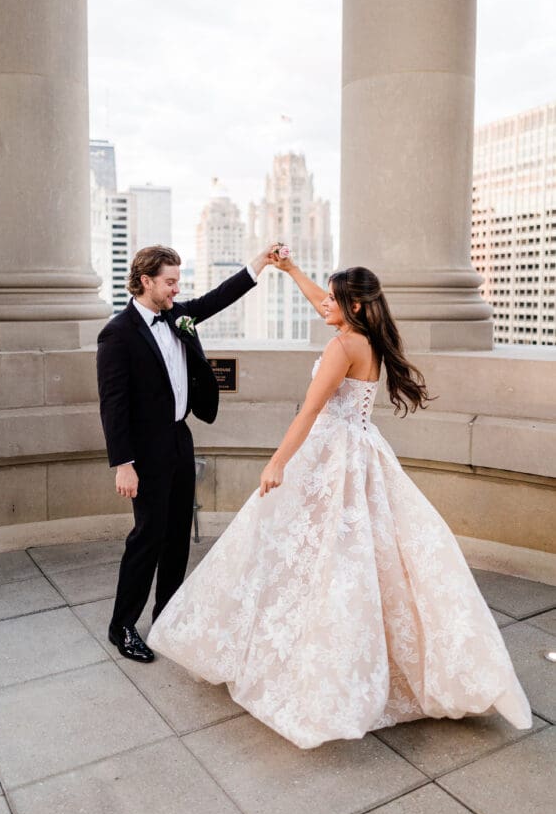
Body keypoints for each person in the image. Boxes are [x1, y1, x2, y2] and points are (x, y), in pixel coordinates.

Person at [147, 260, 532, 748]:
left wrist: (277, 463)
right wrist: (288, 269)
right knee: (364, 552)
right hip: (361, 448)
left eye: (331, 298)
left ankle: (315, 667)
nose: (321, 304)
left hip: (330, 452)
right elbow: (325, 306)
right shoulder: (364, 338)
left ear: (351, 306)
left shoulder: (340, 345)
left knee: (313, 552)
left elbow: (310, 409)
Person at [96, 243, 276, 663]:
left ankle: (167, 616)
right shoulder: (118, 333)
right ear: (146, 281)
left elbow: (217, 299)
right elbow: (113, 404)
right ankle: (122, 626)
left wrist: (260, 264)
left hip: (180, 439)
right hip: (144, 452)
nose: (176, 289)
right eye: (170, 282)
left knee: (178, 537)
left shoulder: (177, 316)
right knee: (148, 537)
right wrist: (124, 464)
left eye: (178, 281)